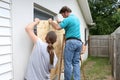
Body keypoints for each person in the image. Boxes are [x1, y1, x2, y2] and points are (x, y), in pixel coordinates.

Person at [48, 6, 82, 80]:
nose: (63, 17)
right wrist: (60, 22)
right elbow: (67, 24)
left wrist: (51, 22)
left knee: (68, 63)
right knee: (76, 63)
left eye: (63, 15)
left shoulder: (68, 19)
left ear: (66, 12)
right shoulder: (76, 18)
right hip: (79, 42)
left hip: (71, 43)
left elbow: (57, 27)